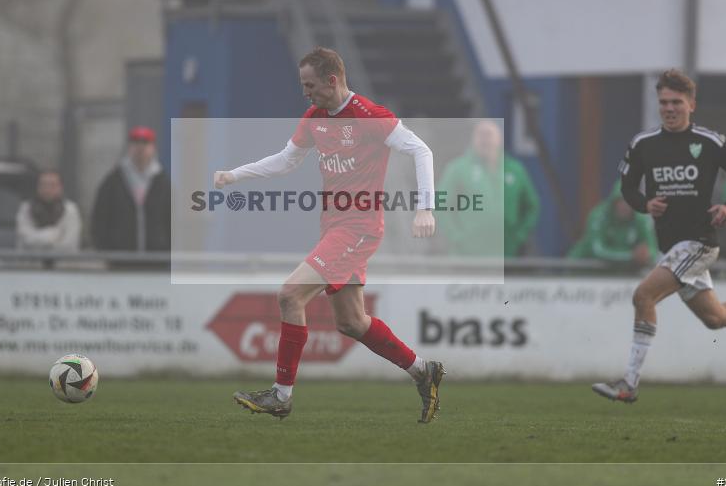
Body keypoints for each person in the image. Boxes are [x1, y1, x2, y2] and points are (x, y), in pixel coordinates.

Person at [215, 47, 444, 423]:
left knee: (290, 295)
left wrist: (425, 208)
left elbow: (422, 151)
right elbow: (286, 160)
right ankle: (423, 371)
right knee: (352, 322)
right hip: (334, 228)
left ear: (332, 80)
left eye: (310, 85)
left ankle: (281, 395)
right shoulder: (315, 119)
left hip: (359, 228)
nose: (305, 92)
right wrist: (235, 175)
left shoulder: (370, 116)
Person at [592, 69, 726, 404]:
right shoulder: (643, 144)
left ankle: (629, 383)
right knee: (715, 318)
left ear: (691, 105)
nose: (669, 108)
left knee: (643, 296)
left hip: (699, 243)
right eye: (664, 102)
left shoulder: (709, 142)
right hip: (671, 247)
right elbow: (627, 187)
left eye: (676, 102)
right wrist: (644, 203)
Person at [437, 120, 539, 256]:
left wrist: (519, 235)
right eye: (480, 134)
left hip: (507, 254)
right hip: (467, 256)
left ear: (499, 139)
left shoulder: (515, 170)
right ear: (473, 139)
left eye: (489, 134)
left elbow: (531, 206)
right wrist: (457, 237)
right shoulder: (458, 169)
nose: (485, 139)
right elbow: (440, 204)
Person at [91, 126, 171, 253]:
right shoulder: (113, 181)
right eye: (136, 143)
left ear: (153, 148)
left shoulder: (163, 183)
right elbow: (100, 218)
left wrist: (167, 250)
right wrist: (106, 250)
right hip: (120, 258)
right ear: (129, 147)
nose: (140, 148)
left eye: (145, 143)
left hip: (157, 258)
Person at [567, 182, 657, 266]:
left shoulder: (641, 218)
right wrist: (631, 256)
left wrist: (646, 254)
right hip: (584, 268)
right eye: (621, 201)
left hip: (621, 272)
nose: (624, 206)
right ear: (614, 201)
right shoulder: (599, 215)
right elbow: (597, 250)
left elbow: (652, 249)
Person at [16, 170, 81, 251]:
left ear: (60, 188)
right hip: (30, 259)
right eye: (43, 185)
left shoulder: (70, 210)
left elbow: (69, 245)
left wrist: (37, 238)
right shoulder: (26, 208)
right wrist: (52, 235)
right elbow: (26, 240)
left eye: (52, 185)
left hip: (62, 259)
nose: (47, 189)